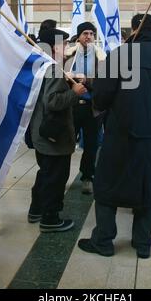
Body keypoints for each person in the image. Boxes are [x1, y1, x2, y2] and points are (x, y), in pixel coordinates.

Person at [78, 14, 151, 259]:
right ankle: (142, 244)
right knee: (148, 186)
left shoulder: (120, 55)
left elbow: (101, 96)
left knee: (107, 185)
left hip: (119, 134)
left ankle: (104, 241)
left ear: (135, 29)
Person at [28, 28, 87, 232]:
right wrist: (74, 92)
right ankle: (50, 219)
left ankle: (36, 209)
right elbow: (52, 101)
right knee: (55, 177)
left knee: (45, 173)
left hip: (41, 133)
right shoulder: (53, 68)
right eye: (65, 44)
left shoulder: (43, 65)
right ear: (54, 47)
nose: (68, 47)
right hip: (53, 136)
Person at [65, 22, 106, 195]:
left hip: (92, 108)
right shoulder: (68, 56)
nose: (88, 36)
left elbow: (105, 82)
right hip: (72, 107)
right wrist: (70, 78)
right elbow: (59, 78)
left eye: (91, 33)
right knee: (66, 144)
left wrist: (87, 81)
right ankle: (61, 177)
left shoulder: (101, 57)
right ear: (78, 36)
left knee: (91, 145)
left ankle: (87, 177)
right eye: (85, 33)